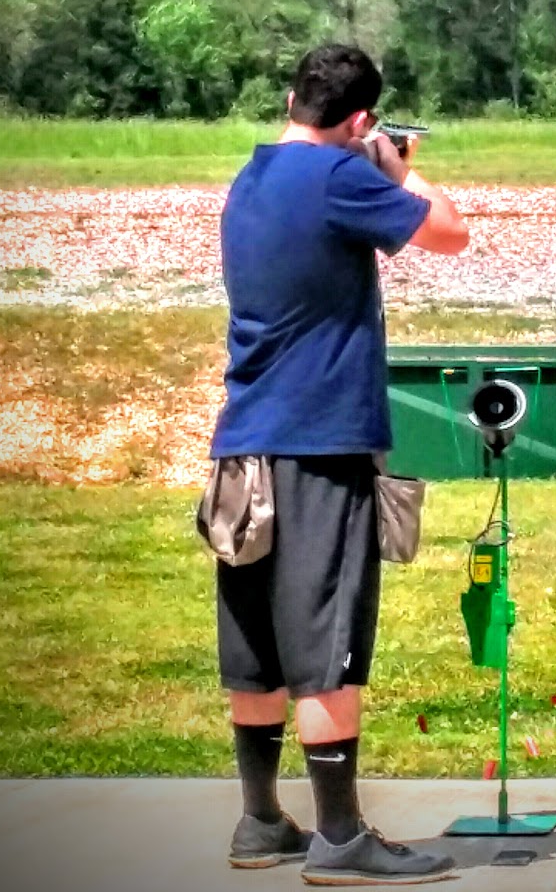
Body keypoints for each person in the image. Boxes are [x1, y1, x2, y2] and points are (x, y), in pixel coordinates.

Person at [209, 43, 469, 885]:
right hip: (322, 444)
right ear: (360, 120)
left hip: (244, 444)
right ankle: (340, 838)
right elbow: (451, 234)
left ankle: (260, 822)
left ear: (292, 99)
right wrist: (400, 169)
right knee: (325, 646)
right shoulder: (340, 178)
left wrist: (364, 157)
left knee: (256, 644)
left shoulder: (249, 178)